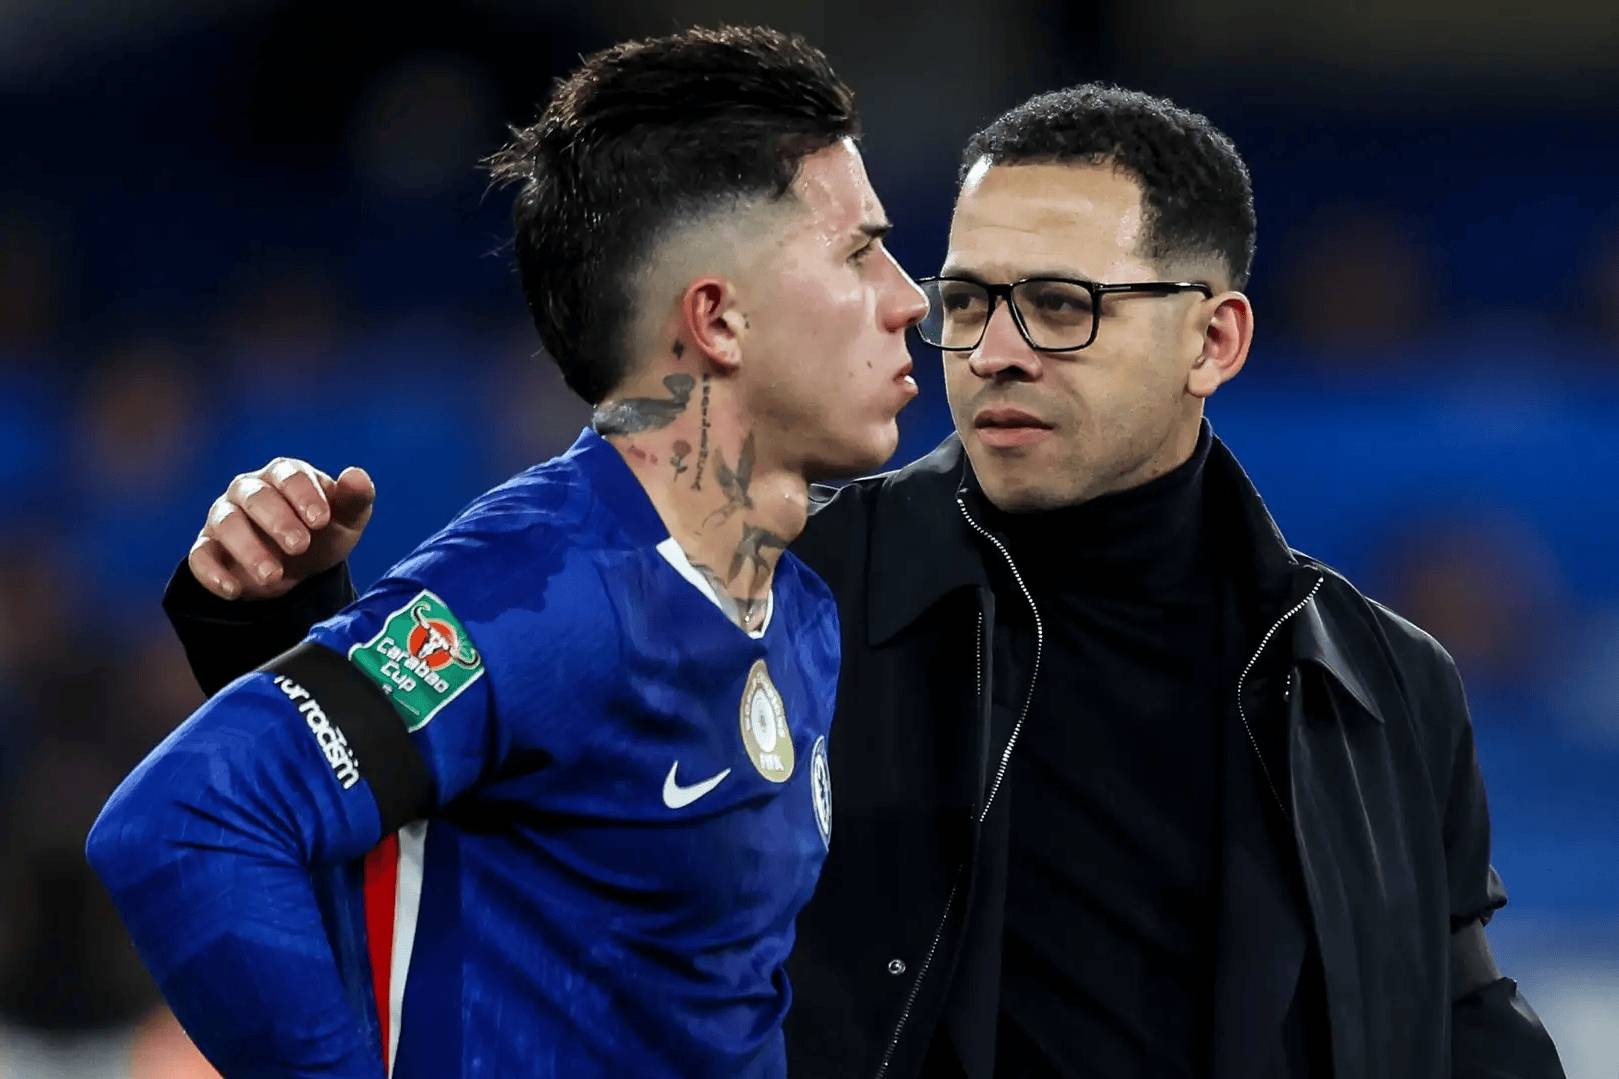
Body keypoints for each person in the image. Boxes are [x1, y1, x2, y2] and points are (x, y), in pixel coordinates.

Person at [152, 86, 1566, 1079]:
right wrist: (278, 621)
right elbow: (462, 833)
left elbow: (1453, 1020)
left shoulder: (1377, 679)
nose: (992, 350)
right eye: (964, 300)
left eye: (1059, 305)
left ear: (1214, 339)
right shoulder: (773, 579)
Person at [86, 25, 927, 1078]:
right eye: (857, 253)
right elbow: (188, 818)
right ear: (716, 319)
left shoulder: (798, 611)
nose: (909, 297)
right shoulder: (548, 586)